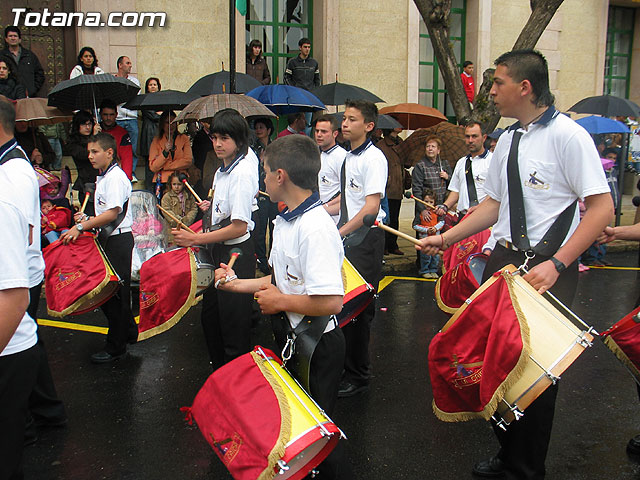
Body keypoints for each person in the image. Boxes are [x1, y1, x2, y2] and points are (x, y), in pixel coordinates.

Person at [418, 49, 613, 480]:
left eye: (497, 82)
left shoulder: (569, 136)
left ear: (524, 87)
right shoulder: (508, 139)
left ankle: (527, 468)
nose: (491, 91)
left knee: (536, 376)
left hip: (548, 267)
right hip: (504, 261)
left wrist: (559, 264)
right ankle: (508, 454)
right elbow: (494, 203)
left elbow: (601, 209)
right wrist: (447, 237)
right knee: (497, 362)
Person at [215, 134, 345, 479]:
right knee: (294, 426)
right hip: (292, 337)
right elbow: (278, 280)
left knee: (316, 434)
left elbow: (332, 301)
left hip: (317, 346)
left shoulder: (315, 227)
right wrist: (235, 283)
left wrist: (280, 302)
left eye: (266, 172)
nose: (263, 179)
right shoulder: (285, 220)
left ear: (281, 176)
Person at [0, 99, 65, 469]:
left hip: (19, 274)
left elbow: (23, 230)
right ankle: (45, 411)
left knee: (25, 339)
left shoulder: (14, 173)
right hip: (18, 273)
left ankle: (33, 417)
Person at [172, 109, 257, 371]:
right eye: (215, 137)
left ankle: (236, 384)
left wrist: (196, 237)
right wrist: (214, 206)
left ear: (240, 141)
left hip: (235, 253)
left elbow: (239, 226)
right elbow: (228, 211)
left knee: (233, 325)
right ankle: (221, 376)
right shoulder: (224, 169)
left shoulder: (242, 172)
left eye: (225, 138)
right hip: (218, 250)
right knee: (212, 319)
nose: (218, 144)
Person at [324, 99, 387, 398]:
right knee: (343, 308)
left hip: (366, 240)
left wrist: (338, 232)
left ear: (369, 126)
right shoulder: (350, 158)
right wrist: (318, 211)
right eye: (344, 119)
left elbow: (370, 209)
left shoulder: (373, 159)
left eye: (351, 119)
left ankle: (359, 375)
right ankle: (346, 369)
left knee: (359, 311)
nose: (345, 124)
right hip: (350, 239)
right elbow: (347, 201)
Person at [61, 132, 137, 363]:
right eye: (89, 152)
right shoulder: (104, 177)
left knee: (112, 294)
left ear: (109, 153)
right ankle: (128, 333)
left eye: (95, 152)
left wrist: (82, 226)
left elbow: (113, 213)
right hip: (111, 238)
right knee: (112, 293)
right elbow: (106, 213)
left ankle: (116, 346)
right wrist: (88, 217)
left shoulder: (114, 178)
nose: (90, 156)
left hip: (117, 240)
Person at [436, 120, 492, 217]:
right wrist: (445, 206)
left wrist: (479, 208)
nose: (470, 140)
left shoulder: (493, 160)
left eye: (474, 136)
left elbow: (495, 193)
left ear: (484, 138)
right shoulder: (461, 162)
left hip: (484, 218)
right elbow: (456, 190)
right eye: (467, 136)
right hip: (463, 217)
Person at [376, 127, 410, 254]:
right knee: (386, 218)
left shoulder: (401, 143)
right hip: (387, 186)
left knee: (395, 218)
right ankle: (384, 245)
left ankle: (393, 244)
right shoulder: (381, 145)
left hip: (398, 186)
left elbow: (407, 163)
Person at [252, 117, 278, 275]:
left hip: (275, 191)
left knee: (275, 225)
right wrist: (260, 161)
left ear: (269, 130)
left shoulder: (276, 147)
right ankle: (261, 259)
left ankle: (274, 258)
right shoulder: (254, 148)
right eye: (256, 127)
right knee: (261, 228)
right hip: (260, 191)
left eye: (262, 127)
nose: (258, 130)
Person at [149, 110, 193, 198]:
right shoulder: (156, 141)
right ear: (162, 124)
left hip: (180, 179)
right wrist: (165, 152)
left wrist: (167, 166)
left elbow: (188, 161)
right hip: (163, 181)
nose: (170, 125)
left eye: (173, 122)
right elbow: (153, 167)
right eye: (167, 122)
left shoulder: (184, 138)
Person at [65, 110, 99, 212]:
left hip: (99, 181)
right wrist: (93, 137)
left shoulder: (98, 138)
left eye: (89, 124)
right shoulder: (73, 142)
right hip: (86, 183)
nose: (87, 127)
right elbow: (85, 155)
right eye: (84, 124)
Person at [314, 114, 345, 224]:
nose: (319, 135)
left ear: (335, 134)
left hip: (336, 219)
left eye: (324, 131)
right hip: (321, 216)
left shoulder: (342, 157)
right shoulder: (318, 155)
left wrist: (326, 206)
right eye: (317, 131)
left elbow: (347, 192)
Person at [115, 56, 141, 183]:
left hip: (131, 118)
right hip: (118, 118)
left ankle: (131, 171)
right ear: (120, 65)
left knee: (133, 147)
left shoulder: (134, 81)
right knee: (117, 147)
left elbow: (134, 98)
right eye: (128, 63)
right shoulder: (113, 81)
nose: (130, 65)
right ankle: (117, 171)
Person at [1, 26, 45, 97]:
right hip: (8, 97)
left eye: (15, 36)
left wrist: (32, 89)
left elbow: (39, 74)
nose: (13, 38)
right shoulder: (2, 56)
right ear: (6, 39)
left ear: (20, 39)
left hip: (28, 96)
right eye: (10, 36)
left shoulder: (29, 56)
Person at [413, 189, 444, 279]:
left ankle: (433, 269)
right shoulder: (420, 213)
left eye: (431, 202)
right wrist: (426, 230)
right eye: (426, 202)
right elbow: (415, 226)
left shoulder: (437, 212)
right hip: (424, 238)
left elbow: (442, 222)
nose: (428, 204)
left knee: (435, 256)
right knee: (425, 256)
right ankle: (425, 270)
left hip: (436, 239)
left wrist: (435, 228)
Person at [99, 100, 134, 179]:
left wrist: (126, 178)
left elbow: (127, 158)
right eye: (105, 115)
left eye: (111, 115)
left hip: (115, 175)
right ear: (100, 115)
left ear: (116, 115)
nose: (108, 118)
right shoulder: (95, 131)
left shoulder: (122, 133)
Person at [161, 171, 197, 242]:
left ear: (184, 185)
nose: (176, 187)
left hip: (187, 228)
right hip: (171, 230)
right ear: (170, 184)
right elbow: (166, 210)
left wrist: (187, 220)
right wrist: (178, 221)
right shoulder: (167, 197)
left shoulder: (189, 196)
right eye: (174, 184)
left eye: (179, 184)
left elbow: (194, 208)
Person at [139, 77, 162, 191]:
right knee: (149, 168)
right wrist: (159, 114)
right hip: (148, 134)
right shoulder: (145, 101)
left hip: (159, 134)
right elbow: (154, 116)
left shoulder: (162, 100)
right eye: (150, 85)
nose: (153, 86)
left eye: (155, 84)